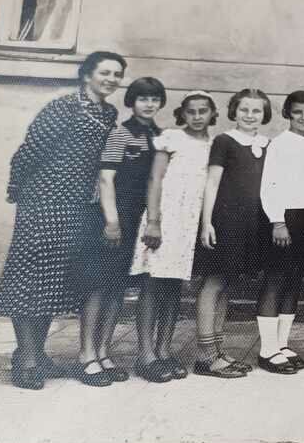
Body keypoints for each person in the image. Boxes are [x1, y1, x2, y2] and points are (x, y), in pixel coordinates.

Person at [0, 51, 124, 390]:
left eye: (117, 74)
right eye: (105, 72)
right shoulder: (62, 108)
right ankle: (26, 359)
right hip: (43, 202)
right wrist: (19, 192)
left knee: (53, 280)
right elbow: (28, 152)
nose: (111, 79)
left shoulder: (109, 113)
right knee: (31, 277)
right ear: (86, 76)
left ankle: (37, 352)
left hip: (77, 207)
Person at [75, 77, 166, 386]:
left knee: (118, 286)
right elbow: (105, 180)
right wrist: (111, 221)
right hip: (113, 218)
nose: (149, 104)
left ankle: (103, 352)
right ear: (132, 102)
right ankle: (86, 355)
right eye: (142, 98)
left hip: (139, 220)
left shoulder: (159, 136)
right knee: (98, 285)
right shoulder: (120, 133)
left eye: (154, 99)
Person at [128, 90, 217, 382]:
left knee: (174, 287)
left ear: (212, 114)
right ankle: (145, 355)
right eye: (191, 111)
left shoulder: (214, 145)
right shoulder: (171, 138)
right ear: (183, 114)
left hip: (189, 224)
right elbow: (155, 179)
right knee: (153, 284)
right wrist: (154, 221)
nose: (197, 116)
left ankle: (164, 350)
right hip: (166, 219)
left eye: (203, 110)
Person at [196, 89, 273, 378]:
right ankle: (205, 356)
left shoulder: (266, 144)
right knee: (213, 282)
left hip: (251, 223)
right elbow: (212, 182)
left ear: (264, 114)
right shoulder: (224, 141)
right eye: (244, 110)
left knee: (227, 283)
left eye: (256, 111)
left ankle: (217, 351)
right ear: (234, 111)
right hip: (225, 221)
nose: (250, 115)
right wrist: (207, 223)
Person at [256, 90, 304, 374]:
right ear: (288, 114)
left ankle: (281, 344)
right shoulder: (279, 144)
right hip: (285, 217)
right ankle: (266, 349)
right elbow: (269, 184)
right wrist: (277, 221)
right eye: (298, 112)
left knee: (294, 280)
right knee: (276, 279)